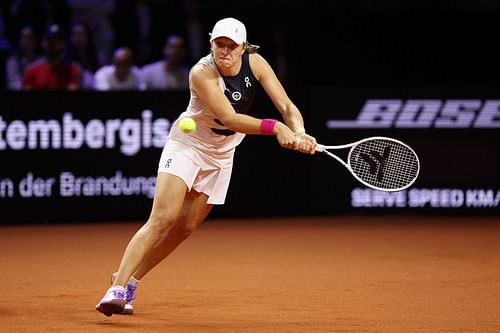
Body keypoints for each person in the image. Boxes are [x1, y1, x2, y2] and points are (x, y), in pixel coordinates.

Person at [95, 17, 317, 317]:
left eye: (231, 46)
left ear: (243, 48)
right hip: (188, 146)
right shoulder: (201, 72)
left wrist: (300, 131)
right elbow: (230, 119)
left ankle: (132, 280)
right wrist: (276, 128)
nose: (224, 51)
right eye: (219, 44)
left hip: (222, 154)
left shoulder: (256, 62)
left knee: (184, 228)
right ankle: (116, 288)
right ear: (211, 43)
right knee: (163, 218)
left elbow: (288, 105)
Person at [22, 24, 80, 90]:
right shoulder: (31, 70)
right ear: (43, 43)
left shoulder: (72, 70)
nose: (52, 44)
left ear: (63, 43)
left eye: (57, 40)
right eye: (49, 40)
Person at [5, 25, 42, 90]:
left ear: (35, 41)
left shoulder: (42, 60)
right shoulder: (13, 61)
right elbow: (14, 83)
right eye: (22, 37)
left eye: (29, 38)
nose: (25, 41)